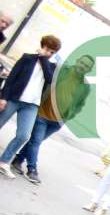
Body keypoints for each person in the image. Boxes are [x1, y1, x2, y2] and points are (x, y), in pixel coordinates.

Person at [8, 54, 94, 184]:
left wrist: (70, 116)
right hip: (42, 113)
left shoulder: (86, 87)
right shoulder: (61, 71)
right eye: (82, 63)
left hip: (58, 121)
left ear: (89, 70)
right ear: (77, 61)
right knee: (36, 141)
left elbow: (80, 105)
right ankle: (32, 169)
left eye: (86, 66)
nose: (83, 66)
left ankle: (18, 160)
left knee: (35, 142)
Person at [0, 35, 60, 179]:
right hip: (14, 98)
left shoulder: (51, 67)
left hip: (32, 105)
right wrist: (3, 97)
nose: (48, 53)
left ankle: (4, 161)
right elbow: (12, 78)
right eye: (46, 49)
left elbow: (50, 79)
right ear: (42, 46)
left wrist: (43, 58)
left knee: (24, 135)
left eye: (52, 52)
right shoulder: (27, 58)